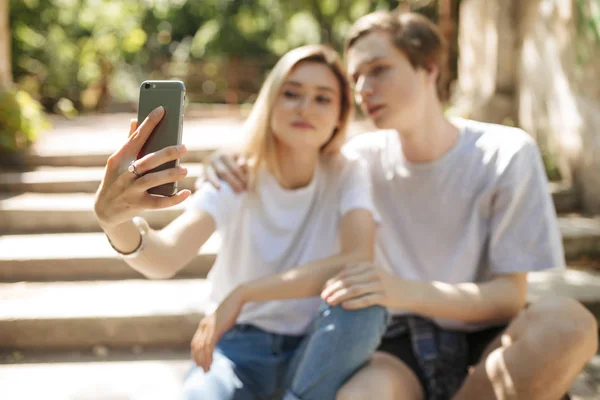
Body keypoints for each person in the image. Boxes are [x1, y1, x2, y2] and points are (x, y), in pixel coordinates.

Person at [206, 11, 598, 400]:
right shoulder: (355, 161)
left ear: (429, 67)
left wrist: (400, 290)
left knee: (570, 322)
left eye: (378, 70)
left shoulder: (506, 152)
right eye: (356, 78)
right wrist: (227, 157)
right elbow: (281, 159)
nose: (364, 90)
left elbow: (509, 297)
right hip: (396, 348)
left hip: (490, 338)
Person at [93, 44, 388, 400]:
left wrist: (246, 292)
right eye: (291, 93)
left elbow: (358, 259)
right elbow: (166, 256)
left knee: (365, 304)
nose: (304, 107)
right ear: (270, 102)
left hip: (317, 349)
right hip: (237, 348)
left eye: (322, 98)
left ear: (341, 114)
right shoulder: (236, 172)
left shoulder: (348, 172)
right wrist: (115, 222)